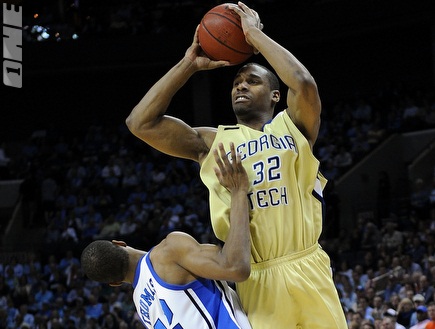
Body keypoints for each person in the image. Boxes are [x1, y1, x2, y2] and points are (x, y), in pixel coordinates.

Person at [125, 2, 347, 327]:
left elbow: (303, 82)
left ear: (275, 95)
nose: (240, 85)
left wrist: (254, 35)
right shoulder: (213, 141)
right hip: (257, 279)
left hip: (308, 263)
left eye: (252, 81)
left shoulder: (295, 126)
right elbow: (140, 123)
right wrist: (188, 64)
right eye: (236, 82)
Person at [81, 143, 252, 329]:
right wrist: (238, 191)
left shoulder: (142, 307)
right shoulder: (169, 251)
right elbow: (235, 267)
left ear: (114, 283)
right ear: (119, 243)